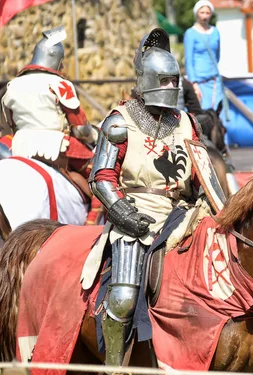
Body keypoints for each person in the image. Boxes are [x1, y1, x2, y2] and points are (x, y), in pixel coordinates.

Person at [89, 28, 212, 367]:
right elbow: (101, 178)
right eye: (165, 80)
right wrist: (124, 214)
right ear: (146, 79)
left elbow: (202, 174)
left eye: (175, 81)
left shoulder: (187, 123)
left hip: (183, 213)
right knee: (125, 297)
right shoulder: (120, 121)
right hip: (136, 215)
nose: (172, 88)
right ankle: (116, 366)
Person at [1, 26, 97, 178]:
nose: (63, 66)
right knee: (99, 176)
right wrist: (93, 139)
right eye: (62, 61)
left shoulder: (12, 86)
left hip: (19, 147)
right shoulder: (59, 84)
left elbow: (9, 123)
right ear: (54, 58)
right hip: (55, 147)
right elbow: (80, 128)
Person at [184, 0, 224, 111]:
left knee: (217, 114)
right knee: (202, 115)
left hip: (214, 80)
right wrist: (194, 84)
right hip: (199, 82)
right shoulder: (191, 33)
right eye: (202, 12)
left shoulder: (215, 32)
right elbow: (188, 60)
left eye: (207, 13)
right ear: (197, 13)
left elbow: (217, 55)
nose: (205, 16)